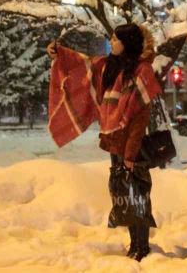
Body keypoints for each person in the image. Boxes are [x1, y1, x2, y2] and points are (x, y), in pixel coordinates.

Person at [47, 24, 161, 261]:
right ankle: (133, 244)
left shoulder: (142, 71)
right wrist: (59, 53)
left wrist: (130, 155)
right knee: (124, 193)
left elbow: (140, 120)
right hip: (114, 142)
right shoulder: (109, 67)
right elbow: (83, 64)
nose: (112, 42)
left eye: (116, 38)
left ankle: (142, 246)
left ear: (127, 43)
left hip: (133, 144)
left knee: (138, 194)